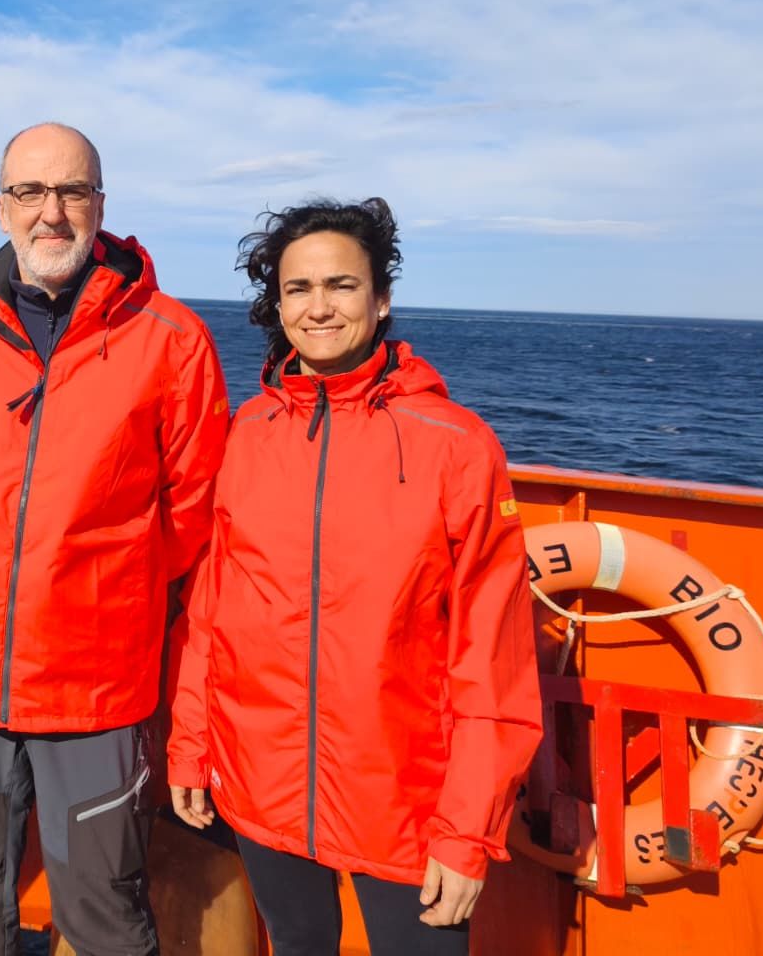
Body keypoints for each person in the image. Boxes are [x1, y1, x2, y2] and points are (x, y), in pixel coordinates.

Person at [167, 197, 542, 956]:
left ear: (382, 298)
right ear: (278, 305)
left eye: (341, 285)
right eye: (298, 289)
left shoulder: (456, 447)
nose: (319, 306)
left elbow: (492, 658)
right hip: (260, 779)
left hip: (406, 803)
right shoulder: (250, 434)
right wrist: (190, 744)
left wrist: (467, 831)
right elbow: (213, 610)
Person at [0, 122, 230, 955]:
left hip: (94, 688)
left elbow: (194, 507)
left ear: (100, 204)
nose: (52, 212)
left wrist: (101, 596)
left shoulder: (171, 338)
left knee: (104, 912)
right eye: (31, 192)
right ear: (3, 206)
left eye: (72, 191)